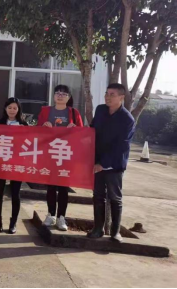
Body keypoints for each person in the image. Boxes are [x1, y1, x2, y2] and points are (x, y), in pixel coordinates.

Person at [87, 83, 136, 243]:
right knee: (98, 196)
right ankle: (98, 229)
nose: (107, 97)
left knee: (115, 197)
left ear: (121, 97)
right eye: (106, 93)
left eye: (112, 94)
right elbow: (92, 131)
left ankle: (115, 232)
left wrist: (103, 163)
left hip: (114, 164)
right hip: (97, 161)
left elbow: (121, 145)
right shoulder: (101, 110)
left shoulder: (127, 119)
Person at [38, 85, 84, 231]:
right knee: (51, 186)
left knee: (64, 187)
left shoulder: (74, 113)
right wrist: (43, 126)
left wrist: (74, 129)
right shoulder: (45, 111)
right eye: (57, 93)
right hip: (50, 153)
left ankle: (61, 217)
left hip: (66, 154)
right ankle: (51, 215)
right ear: (53, 96)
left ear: (68, 97)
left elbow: (82, 133)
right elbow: (36, 131)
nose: (60, 95)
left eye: (63, 94)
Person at [0, 98, 28, 234]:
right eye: (10, 107)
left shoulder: (23, 124)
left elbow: (29, 143)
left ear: (18, 109)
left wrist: (23, 132)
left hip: (17, 162)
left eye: (15, 108)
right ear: (5, 108)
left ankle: (13, 223)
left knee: (15, 193)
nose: (12, 110)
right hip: (1, 161)